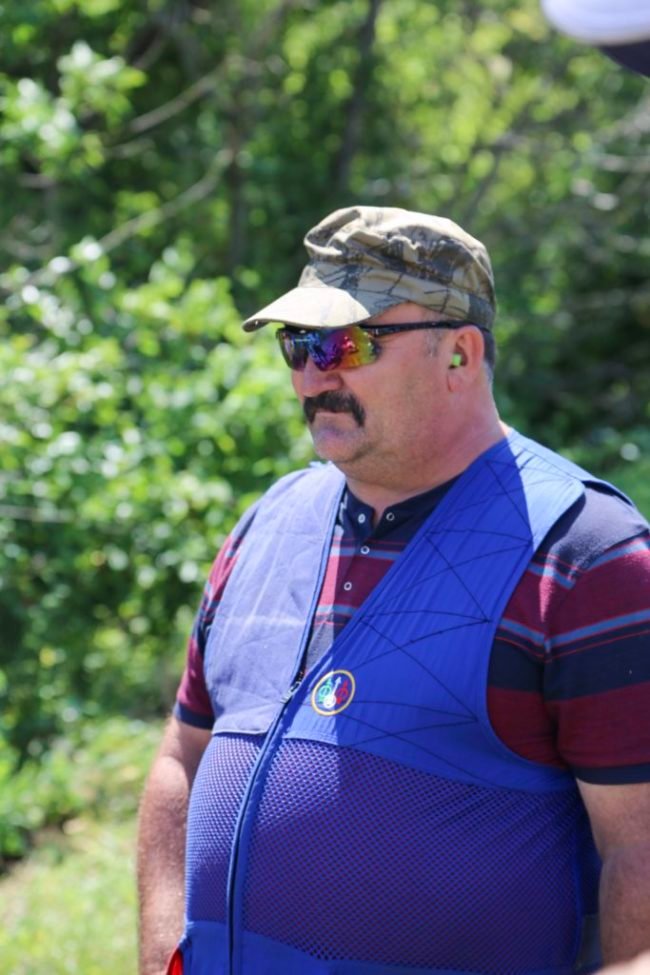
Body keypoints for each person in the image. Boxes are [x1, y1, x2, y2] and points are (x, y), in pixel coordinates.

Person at [137, 206, 650, 975]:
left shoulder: (587, 555)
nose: (314, 373)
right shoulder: (265, 523)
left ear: (459, 354)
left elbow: (639, 847)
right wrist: (158, 956)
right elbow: (183, 755)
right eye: (298, 343)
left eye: (346, 341)